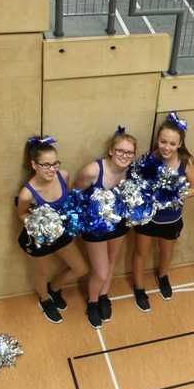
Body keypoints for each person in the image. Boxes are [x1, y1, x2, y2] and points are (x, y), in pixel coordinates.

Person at [16, 136, 88, 324]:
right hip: (39, 239)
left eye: (55, 163)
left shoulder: (63, 175)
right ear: (34, 165)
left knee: (81, 269)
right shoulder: (27, 194)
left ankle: (54, 288)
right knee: (41, 273)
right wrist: (41, 225)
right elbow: (21, 214)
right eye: (46, 165)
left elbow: (68, 201)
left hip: (62, 233)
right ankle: (45, 299)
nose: (52, 169)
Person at [132, 114, 194, 312]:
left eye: (172, 143)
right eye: (163, 142)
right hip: (147, 218)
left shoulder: (187, 162)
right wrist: (149, 193)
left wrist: (174, 194)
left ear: (180, 144)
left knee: (166, 252)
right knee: (140, 253)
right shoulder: (149, 158)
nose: (166, 147)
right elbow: (137, 184)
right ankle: (139, 287)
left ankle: (162, 276)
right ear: (158, 140)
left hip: (171, 219)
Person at [73, 127, 137, 329]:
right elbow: (74, 196)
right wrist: (88, 218)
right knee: (100, 271)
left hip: (119, 224)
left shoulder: (132, 172)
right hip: (95, 228)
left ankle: (103, 295)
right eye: (120, 151)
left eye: (129, 153)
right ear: (111, 150)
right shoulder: (92, 171)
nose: (124, 156)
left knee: (111, 261)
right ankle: (92, 302)